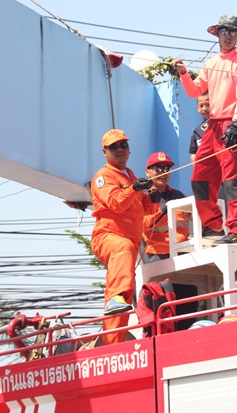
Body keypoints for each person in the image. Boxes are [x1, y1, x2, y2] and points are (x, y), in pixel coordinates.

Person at [171, 14, 237, 245]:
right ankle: (213, 225)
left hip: (231, 122)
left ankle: (236, 230)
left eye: (233, 33)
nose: (228, 36)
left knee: (233, 180)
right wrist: (184, 73)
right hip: (214, 125)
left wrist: (236, 121)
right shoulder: (211, 63)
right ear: (218, 34)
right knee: (199, 177)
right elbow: (195, 91)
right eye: (225, 31)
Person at [90, 129, 156, 345]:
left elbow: (143, 209)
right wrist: (135, 188)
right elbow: (116, 203)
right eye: (114, 147)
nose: (120, 150)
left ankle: (113, 345)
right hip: (108, 237)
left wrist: (152, 197)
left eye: (123, 145)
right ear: (104, 151)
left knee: (123, 298)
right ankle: (116, 301)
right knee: (123, 249)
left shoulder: (130, 176)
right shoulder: (103, 177)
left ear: (129, 149)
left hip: (127, 247)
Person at [141, 151, 198, 330]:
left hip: (182, 253)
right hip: (158, 254)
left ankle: (188, 330)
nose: (163, 172)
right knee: (161, 297)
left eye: (166, 168)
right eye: (158, 168)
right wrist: (162, 210)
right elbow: (144, 225)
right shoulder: (142, 198)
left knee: (189, 295)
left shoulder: (179, 196)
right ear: (148, 171)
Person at [189, 92, 210, 163]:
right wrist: (194, 158)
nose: (205, 108)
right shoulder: (197, 131)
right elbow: (193, 153)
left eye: (208, 105)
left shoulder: (220, 126)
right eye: (201, 106)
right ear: (197, 108)